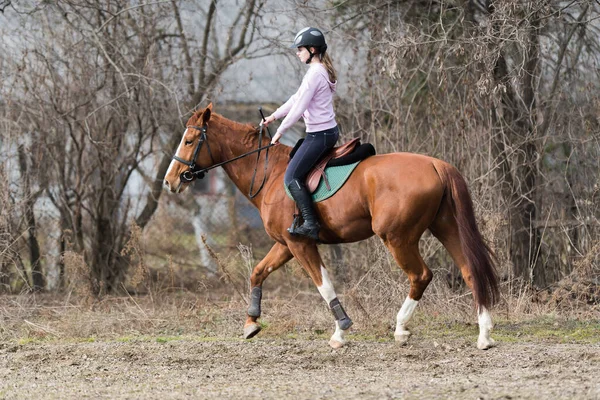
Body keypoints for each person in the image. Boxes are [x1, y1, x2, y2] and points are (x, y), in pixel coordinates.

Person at [262, 27, 339, 240]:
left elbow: (299, 108)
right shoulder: (318, 70)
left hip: (320, 135)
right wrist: (273, 117)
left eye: (300, 49)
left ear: (312, 49)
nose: (297, 53)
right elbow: (296, 99)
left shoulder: (315, 73)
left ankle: (311, 224)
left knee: (291, 177)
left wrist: (279, 132)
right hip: (323, 132)